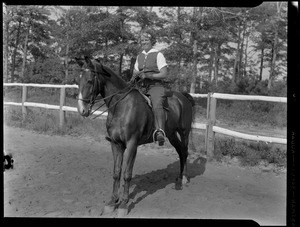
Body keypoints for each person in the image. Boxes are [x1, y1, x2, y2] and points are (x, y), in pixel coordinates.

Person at [132, 31, 168, 146]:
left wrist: (148, 76)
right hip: (142, 87)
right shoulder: (139, 56)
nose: (144, 42)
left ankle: (160, 132)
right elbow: (135, 72)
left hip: (156, 86)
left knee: (157, 104)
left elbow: (164, 74)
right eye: (142, 40)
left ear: (152, 41)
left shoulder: (158, 55)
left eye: (146, 40)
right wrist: (132, 79)